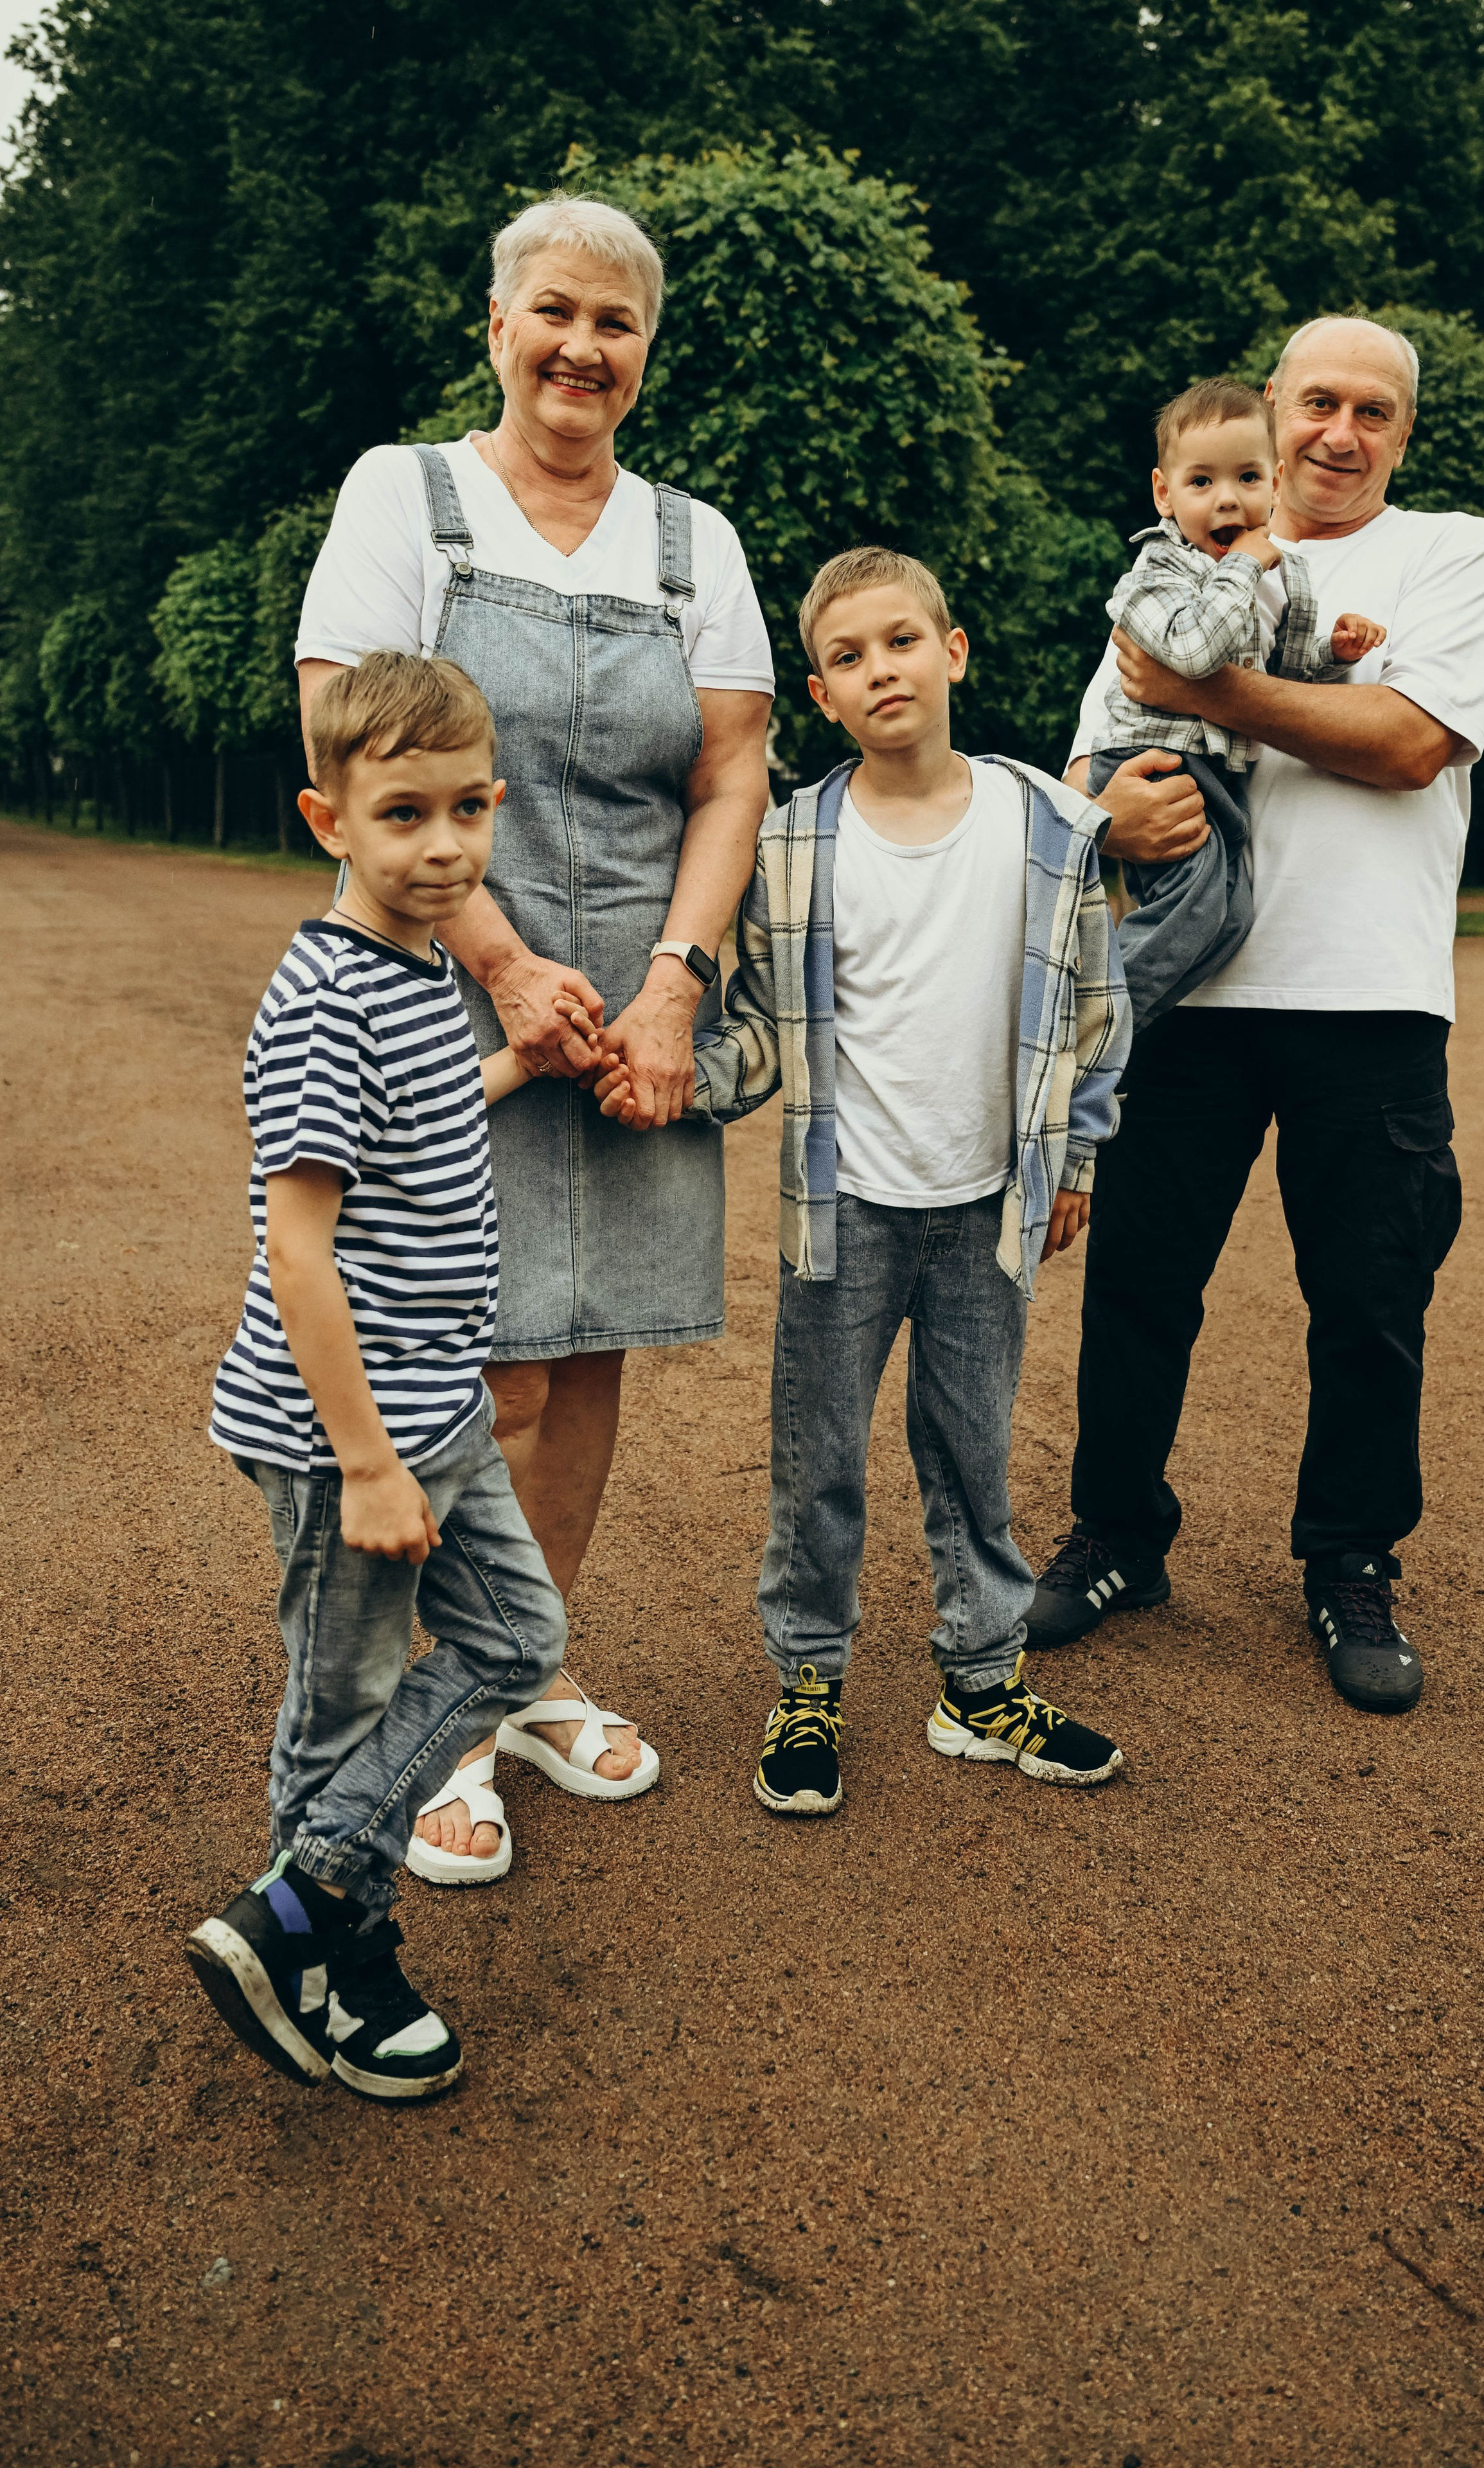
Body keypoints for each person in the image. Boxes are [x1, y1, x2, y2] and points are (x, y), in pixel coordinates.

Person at [295, 193, 773, 1879]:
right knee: (473, 1361)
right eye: (554, 313)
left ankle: (530, 1665)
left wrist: (672, 987)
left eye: (618, 322)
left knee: (589, 1351)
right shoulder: (399, 496)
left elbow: (728, 779)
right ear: (496, 325)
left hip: (647, 983)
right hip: (449, 979)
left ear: (648, 349)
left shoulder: (691, 540)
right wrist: (496, 963)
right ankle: (433, 1705)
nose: (583, 348)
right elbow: (347, 743)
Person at [1029, 315, 1484, 1716]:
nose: (1337, 432)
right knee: (1136, 1285)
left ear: (1399, 435)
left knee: (1369, 1299)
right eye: (1316, 401)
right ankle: (1118, 1533)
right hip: (1185, 990)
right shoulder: (1179, 557)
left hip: (1367, 993)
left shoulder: (1446, 554)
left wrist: (1206, 691)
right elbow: (1089, 762)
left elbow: (1409, 742)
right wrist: (1108, 809)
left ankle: (1348, 1559)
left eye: (1371, 411)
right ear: (1272, 408)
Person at [660, 546, 1144, 1816]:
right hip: (845, 1215)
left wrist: (1076, 1151)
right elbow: (759, 1034)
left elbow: (1095, 1006)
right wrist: (675, 1069)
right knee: (815, 1464)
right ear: (819, 693)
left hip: (989, 1205)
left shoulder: (1046, 823)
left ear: (952, 651)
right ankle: (806, 1681)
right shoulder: (791, 839)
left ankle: (980, 1684)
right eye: (847, 657)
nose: (880, 670)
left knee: (971, 1458)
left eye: (899, 642)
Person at [188, 653, 567, 2100]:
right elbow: (298, 1249)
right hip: (344, 1436)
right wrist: (361, 1461)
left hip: (439, 1413)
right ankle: (336, 1963)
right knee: (337, 1706)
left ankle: (301, 1900)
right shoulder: (328, 996)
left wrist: (510, 1073)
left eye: (468, 807)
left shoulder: (414, 976)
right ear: (326, 818)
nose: (445, 845)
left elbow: (409, 1131)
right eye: (403, 813)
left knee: (521, 1643)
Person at [1091, 375, 1386, 1035]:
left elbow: (1279, 684)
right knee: (1192, 907)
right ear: (1164, 493)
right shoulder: (1153, 574)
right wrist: (1246, 568)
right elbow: (1195, 656)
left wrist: (1334, 654)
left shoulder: (1287, 579)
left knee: (1227, 920)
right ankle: (1084, 1022)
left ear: (1275, 484)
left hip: (1217, 770)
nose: (1227, 500)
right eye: (1201, 483)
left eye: (1247, 478)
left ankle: (1122, 1036)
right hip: (1152, 761)